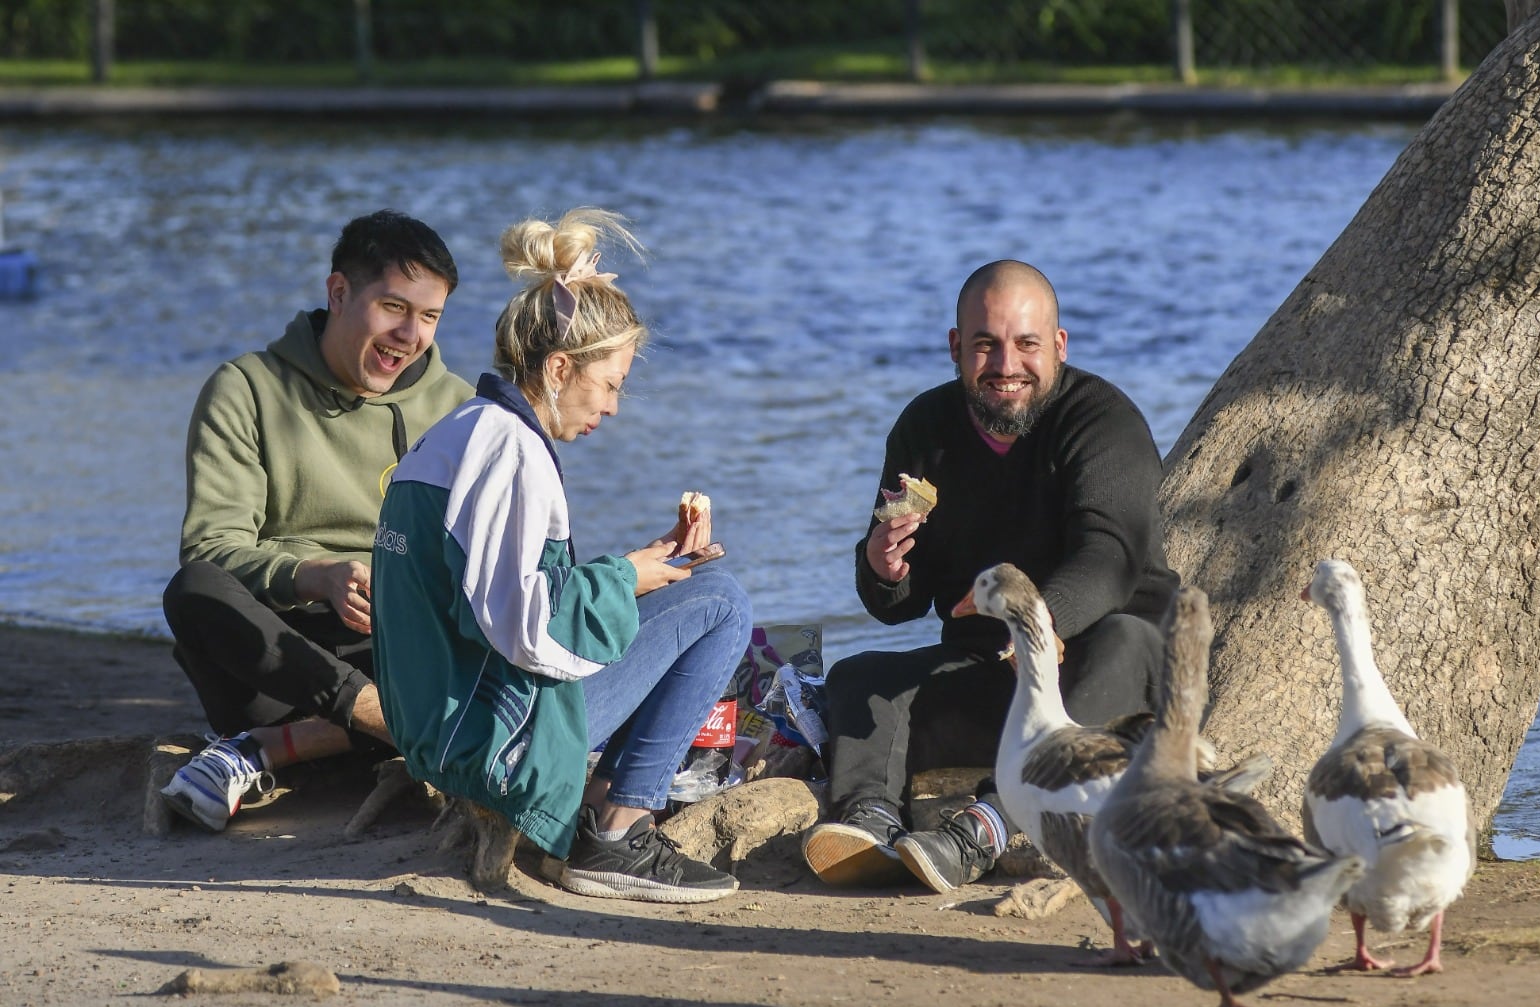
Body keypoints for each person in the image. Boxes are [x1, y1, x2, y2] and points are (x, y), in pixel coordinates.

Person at [371, 208, 752, 905]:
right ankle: (618, 831)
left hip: (440, 723)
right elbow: (528, 628)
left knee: (690, 592)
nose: (612, 407)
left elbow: (495, 600)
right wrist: (624, 576)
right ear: (557, 368)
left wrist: (636, 572)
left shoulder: (461, 430)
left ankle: (597, 811)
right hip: (484, 743)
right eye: (609, 384)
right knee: (722, 604)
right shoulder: (514, 452)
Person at [803, 259, 1180, 893]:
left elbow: (1108, 558)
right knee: (860, 676)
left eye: (1027, 344)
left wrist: (1037, 625)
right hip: (989, 674)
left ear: (1058, 346)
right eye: (985, 344)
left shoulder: (1103, 423)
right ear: (956, 348)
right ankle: (868, 820)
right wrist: (881, 566)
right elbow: (898, 604)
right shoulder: (924, 429)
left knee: (1131, 643)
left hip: (1094, 672)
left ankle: (986, 827)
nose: (1006, 365)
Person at [159, 210, 475, 832]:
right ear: (338, 292)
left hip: (400, 648)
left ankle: (274, 749)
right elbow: (212, 546)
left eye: (430, 317)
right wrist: (313, 576)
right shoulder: (245, 388)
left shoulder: (460, 409)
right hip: (282, 659)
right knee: (192, 590)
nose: (411, 334)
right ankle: (385, 721)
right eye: (393, 307)